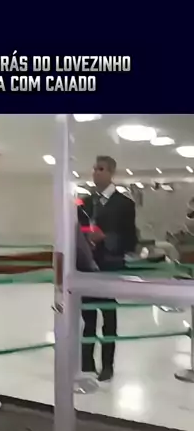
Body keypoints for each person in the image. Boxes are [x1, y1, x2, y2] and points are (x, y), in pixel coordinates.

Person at [79, 156, 137, 382]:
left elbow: (130, 240)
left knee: (109, 318)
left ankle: (107, 365)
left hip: (110, 268)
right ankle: (86, 363)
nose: (96, 172)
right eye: (94, 168)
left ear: (111, 172)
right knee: (87, 318)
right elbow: (81, 229)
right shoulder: (85, 202)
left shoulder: (125, 204)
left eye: (101, 169)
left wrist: (106, 237)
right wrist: (86, 236)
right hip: (86, 268)